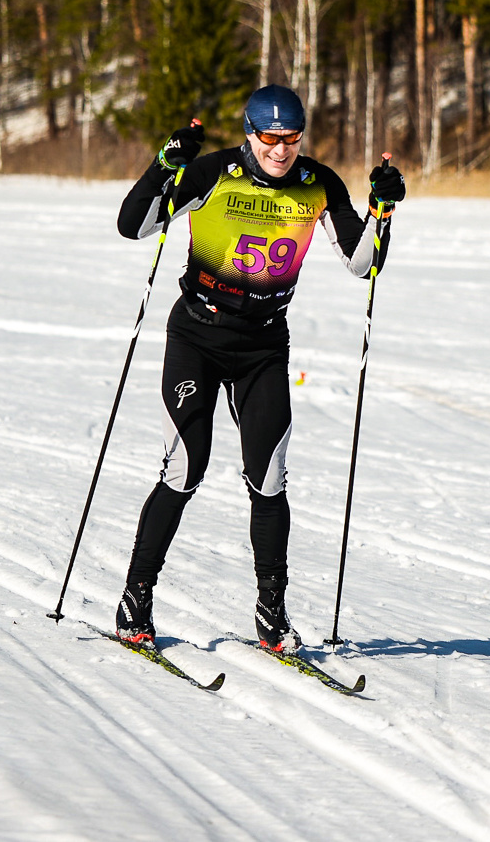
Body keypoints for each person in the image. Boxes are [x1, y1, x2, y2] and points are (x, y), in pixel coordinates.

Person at [113, 84, 405, 653]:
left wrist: (382, 211)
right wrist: (163, 168)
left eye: (291, 138)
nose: (280, 149)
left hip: (264, 346)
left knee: (269, 478)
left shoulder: (318, 182)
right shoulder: (213, 173)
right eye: (270, 138)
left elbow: (361, 262)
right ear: (250, 132)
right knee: (186, 468)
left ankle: (272, 612)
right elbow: (134, 226)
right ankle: (135, 600)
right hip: (197, 334)